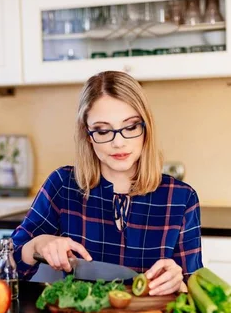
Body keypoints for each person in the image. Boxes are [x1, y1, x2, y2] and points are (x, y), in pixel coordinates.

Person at [11, 71, 202, 296]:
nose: (118, 142)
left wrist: (178, 284)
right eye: (103, 130)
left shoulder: (181, 198)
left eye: (130, 127)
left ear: (146, 128)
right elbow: (1, 268)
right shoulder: (63, 186)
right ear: (88, 134)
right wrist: (37, 245)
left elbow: (195, 289)